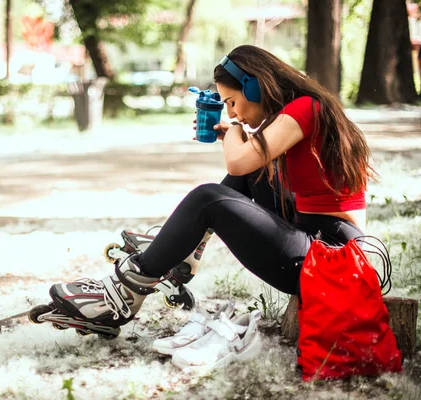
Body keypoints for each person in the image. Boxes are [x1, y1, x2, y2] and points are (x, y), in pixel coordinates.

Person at [35, 44, 375, 360]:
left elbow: (237, 162)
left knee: (208, 198)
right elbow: (247, 167)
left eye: (231, 101)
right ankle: (179, 249)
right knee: (245, 180)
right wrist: (235, 132)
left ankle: (123, 294)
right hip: (320, 245)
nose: (232, 110)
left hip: (334, 261)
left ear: (255, 88)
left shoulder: (305, 108)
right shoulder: (297, 110)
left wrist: (235, 130)